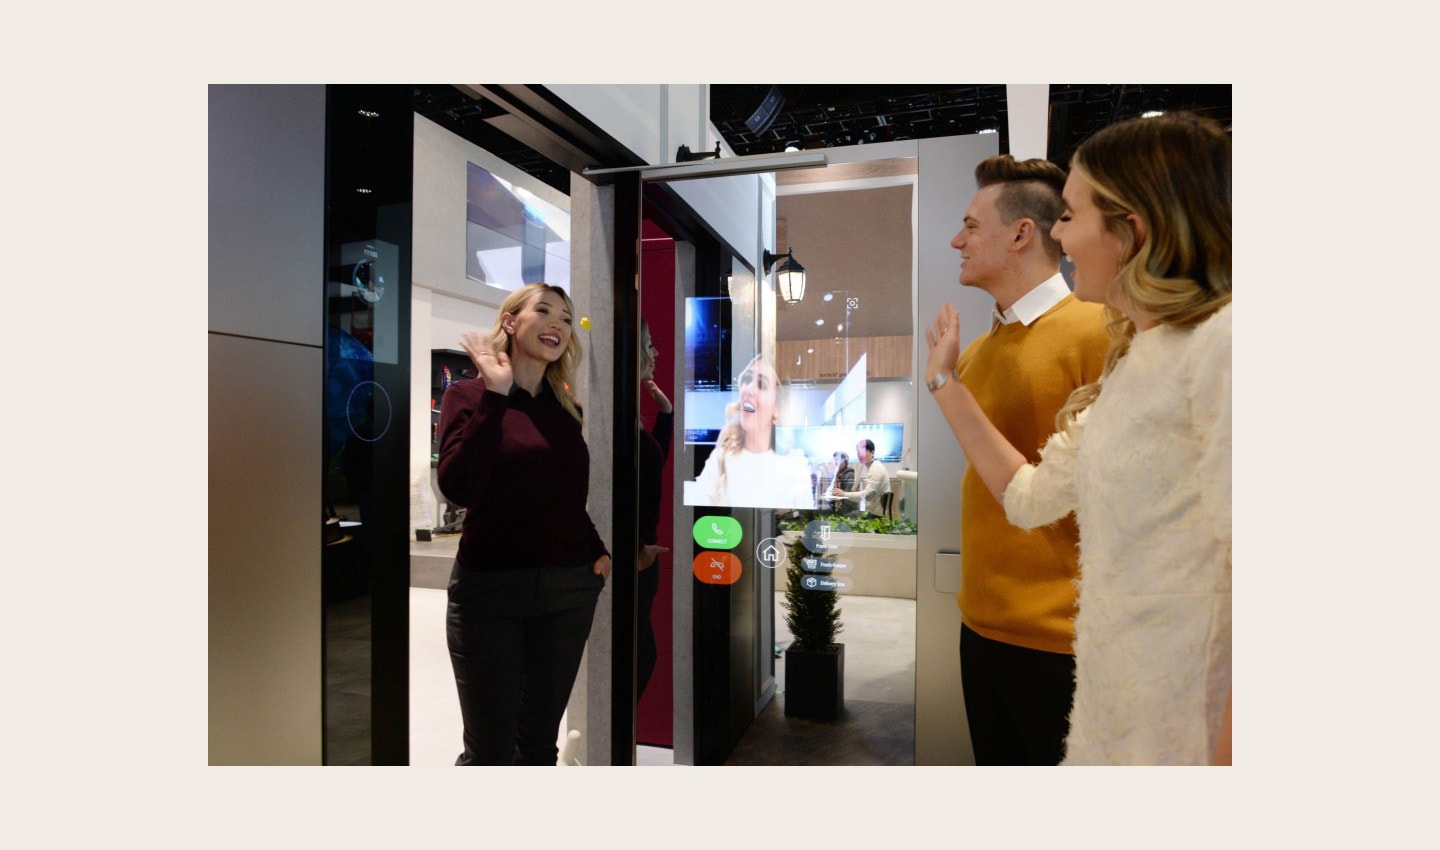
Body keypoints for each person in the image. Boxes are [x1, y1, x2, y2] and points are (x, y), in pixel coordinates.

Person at [923, 112, 1231, 765]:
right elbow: (1031, 493)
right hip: (1074, 662)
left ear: (1131, 229)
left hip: (1118, 669)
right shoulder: (1137, 351)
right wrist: (945, 381)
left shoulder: (1208, 347)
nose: (1063, 235)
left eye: (1072, 215)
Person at [937, 154, 1112, 765]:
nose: (957, 240)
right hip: (981, 625)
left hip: (1065, 641)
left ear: (1021, 234)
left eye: (971, 226)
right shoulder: (978, 351)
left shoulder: (1101, 328)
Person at [437, 282, 613, 766]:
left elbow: (564, 497)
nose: (557, 323)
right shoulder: (469, 396)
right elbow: (458, 487)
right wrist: (495, 393)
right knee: (489, 752)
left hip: (567, 591)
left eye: (565, 316)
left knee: (537, 746)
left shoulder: (564, 409)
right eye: (544, 310)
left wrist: (598, 554)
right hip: (490, 593)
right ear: (511, 321)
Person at [690, 354, 814, 509]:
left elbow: (802, 524)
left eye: (761, 384)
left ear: (777, 409)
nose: (749, 389)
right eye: (747, 380)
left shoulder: (796, 464)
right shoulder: (721, 458)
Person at [636, 319, 672, 701]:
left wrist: (665, 415)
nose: (656, 352)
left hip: (645, 558)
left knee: (643, 657)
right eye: (648, 343)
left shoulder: (633, 414)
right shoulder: (613, 415)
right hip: (636, 560)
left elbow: (649, 466)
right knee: (641, 658)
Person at [832, 438, 890, 518]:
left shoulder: (876, 469)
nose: (860, 455)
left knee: (840, 517)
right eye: (859, 452)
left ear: (872, 452)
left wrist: (844, 493)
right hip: (872, 512)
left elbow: (868, 495)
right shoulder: (874, 466)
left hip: (874, 515)